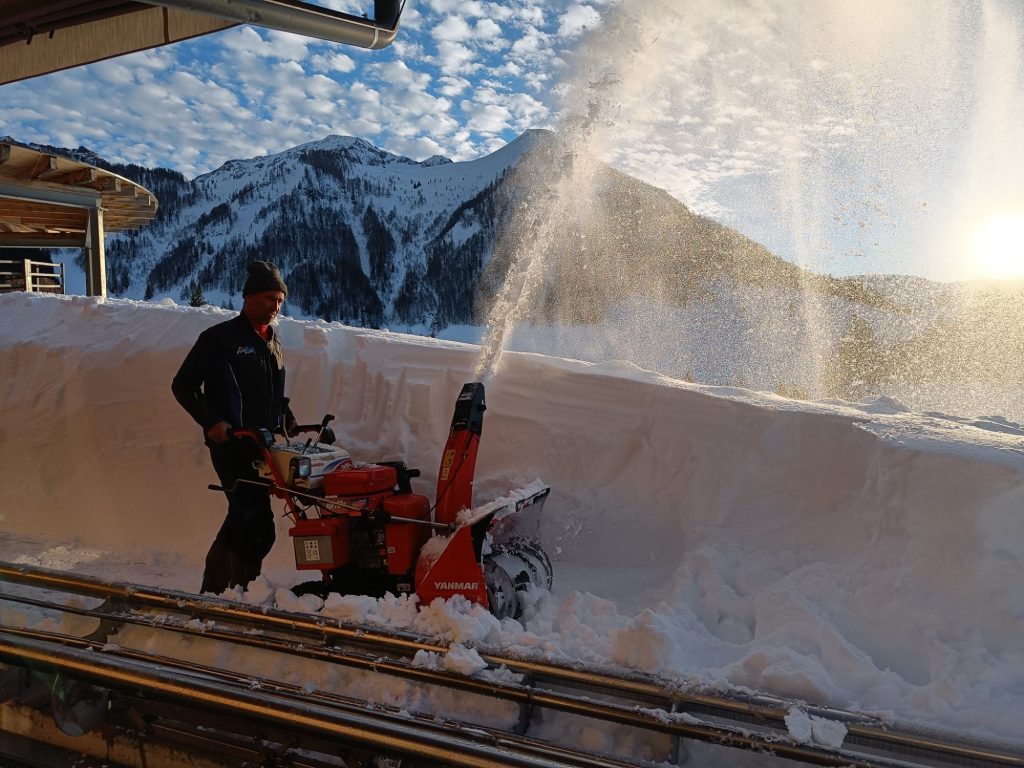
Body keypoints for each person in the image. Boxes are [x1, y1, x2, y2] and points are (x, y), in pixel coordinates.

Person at [171, 261, 297, 594]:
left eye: (280, 300)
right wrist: (211, 421)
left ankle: (216, 592)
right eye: (269, 298)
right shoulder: (220, 339)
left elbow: (269, 391)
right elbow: (183, 385)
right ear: (248, 298)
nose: (275, 307)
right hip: (233, 446)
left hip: (264, 446)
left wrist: (286, 414)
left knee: (242, 519)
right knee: (256, 523)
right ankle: (241, 591)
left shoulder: (272, 339)